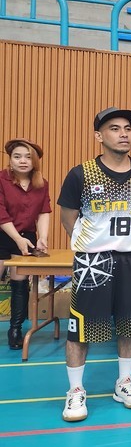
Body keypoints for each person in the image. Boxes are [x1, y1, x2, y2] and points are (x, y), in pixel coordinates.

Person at [57, 108, 131, 421]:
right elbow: (68, 219)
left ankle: (124, 383)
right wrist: (93, 244)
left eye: (127, 128)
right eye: (114, 128)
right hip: (93, 261)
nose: (124, 133)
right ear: (99, 136)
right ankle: (75, 390)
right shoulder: (81, 174)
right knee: (81, 328)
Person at [0, 138, 51, 350]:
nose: (23, 161)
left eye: (28, 157)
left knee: (20, 284)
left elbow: (44, 211)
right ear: (10, 160)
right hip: (4, 233)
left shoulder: (41, 184)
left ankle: (15, 330)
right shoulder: (1, 179)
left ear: (35, 161)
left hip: (26, 236)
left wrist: (42, 237)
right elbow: (1, 213)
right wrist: (17, 239)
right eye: (17, 156)